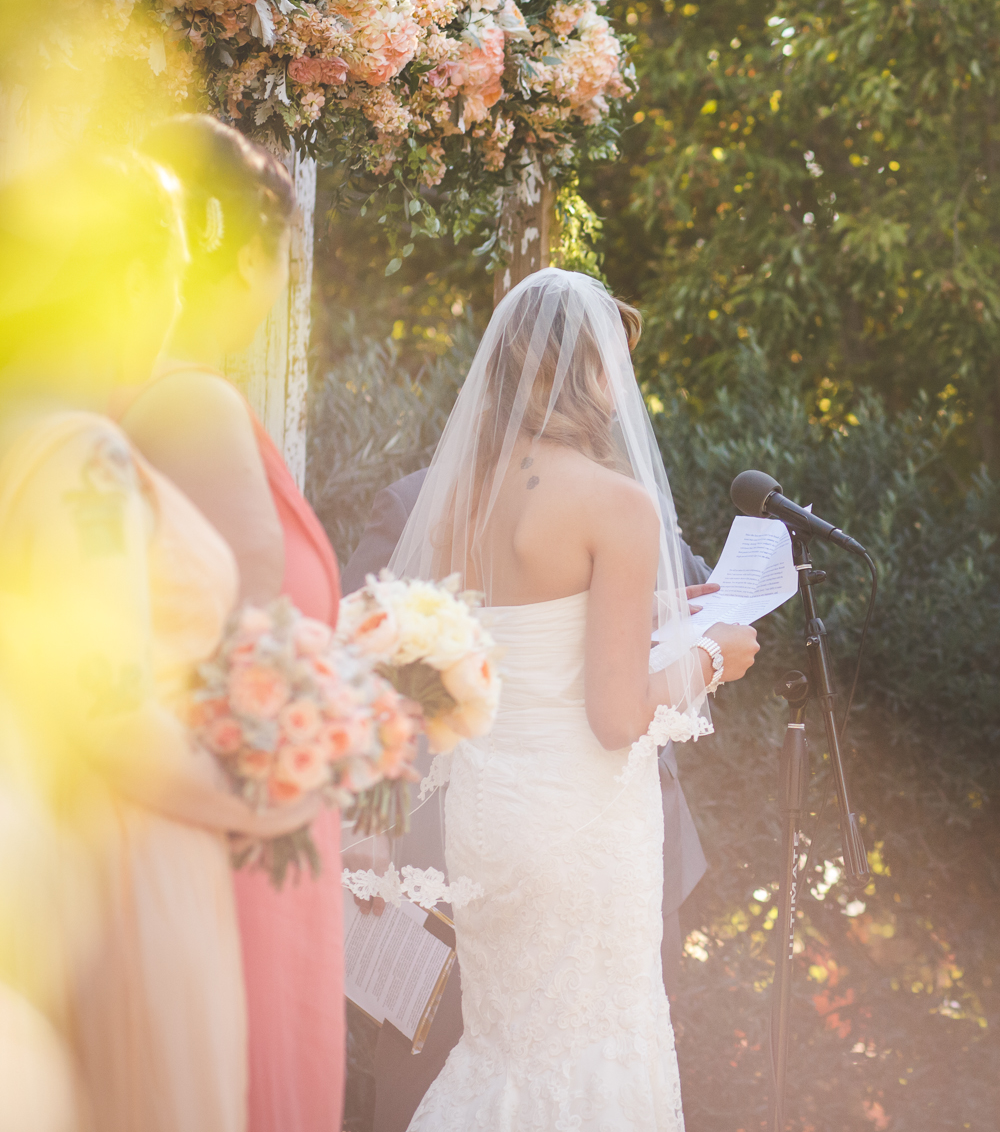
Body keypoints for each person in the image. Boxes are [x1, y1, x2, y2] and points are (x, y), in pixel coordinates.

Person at [385, 268, 758, 1130]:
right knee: (595, 1050)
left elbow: (513, 636)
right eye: (615, 365)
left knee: (506, 1048)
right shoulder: (616, 503)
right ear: (584, 372)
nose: (622, 388)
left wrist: (653, 610)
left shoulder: (463, 498)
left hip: (489, 811)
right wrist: (713, 653)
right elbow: (616, 716)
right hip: (581, 828)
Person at [0, 151, 320, 1132]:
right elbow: (109, 711)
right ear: (133, 278)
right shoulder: (85, 459)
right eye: (176, 274)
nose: (178, 303)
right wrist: (264, 793)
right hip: (128, 870)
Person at [339, 468, 716, 1132]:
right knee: (433, 1084)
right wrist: (365, 818)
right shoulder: (417, 505)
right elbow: (350, 675)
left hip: (619, 875)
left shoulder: (634, 496)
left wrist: (673, 611)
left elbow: (688, 599)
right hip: (461, 878)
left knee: (606, 1079)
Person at [119, 115, 345, 1132]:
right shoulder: (195, 406)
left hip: (240, 811)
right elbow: (247, 639)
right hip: (243, 834)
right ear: (245, 257)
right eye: (280, 260)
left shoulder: (164, 398)